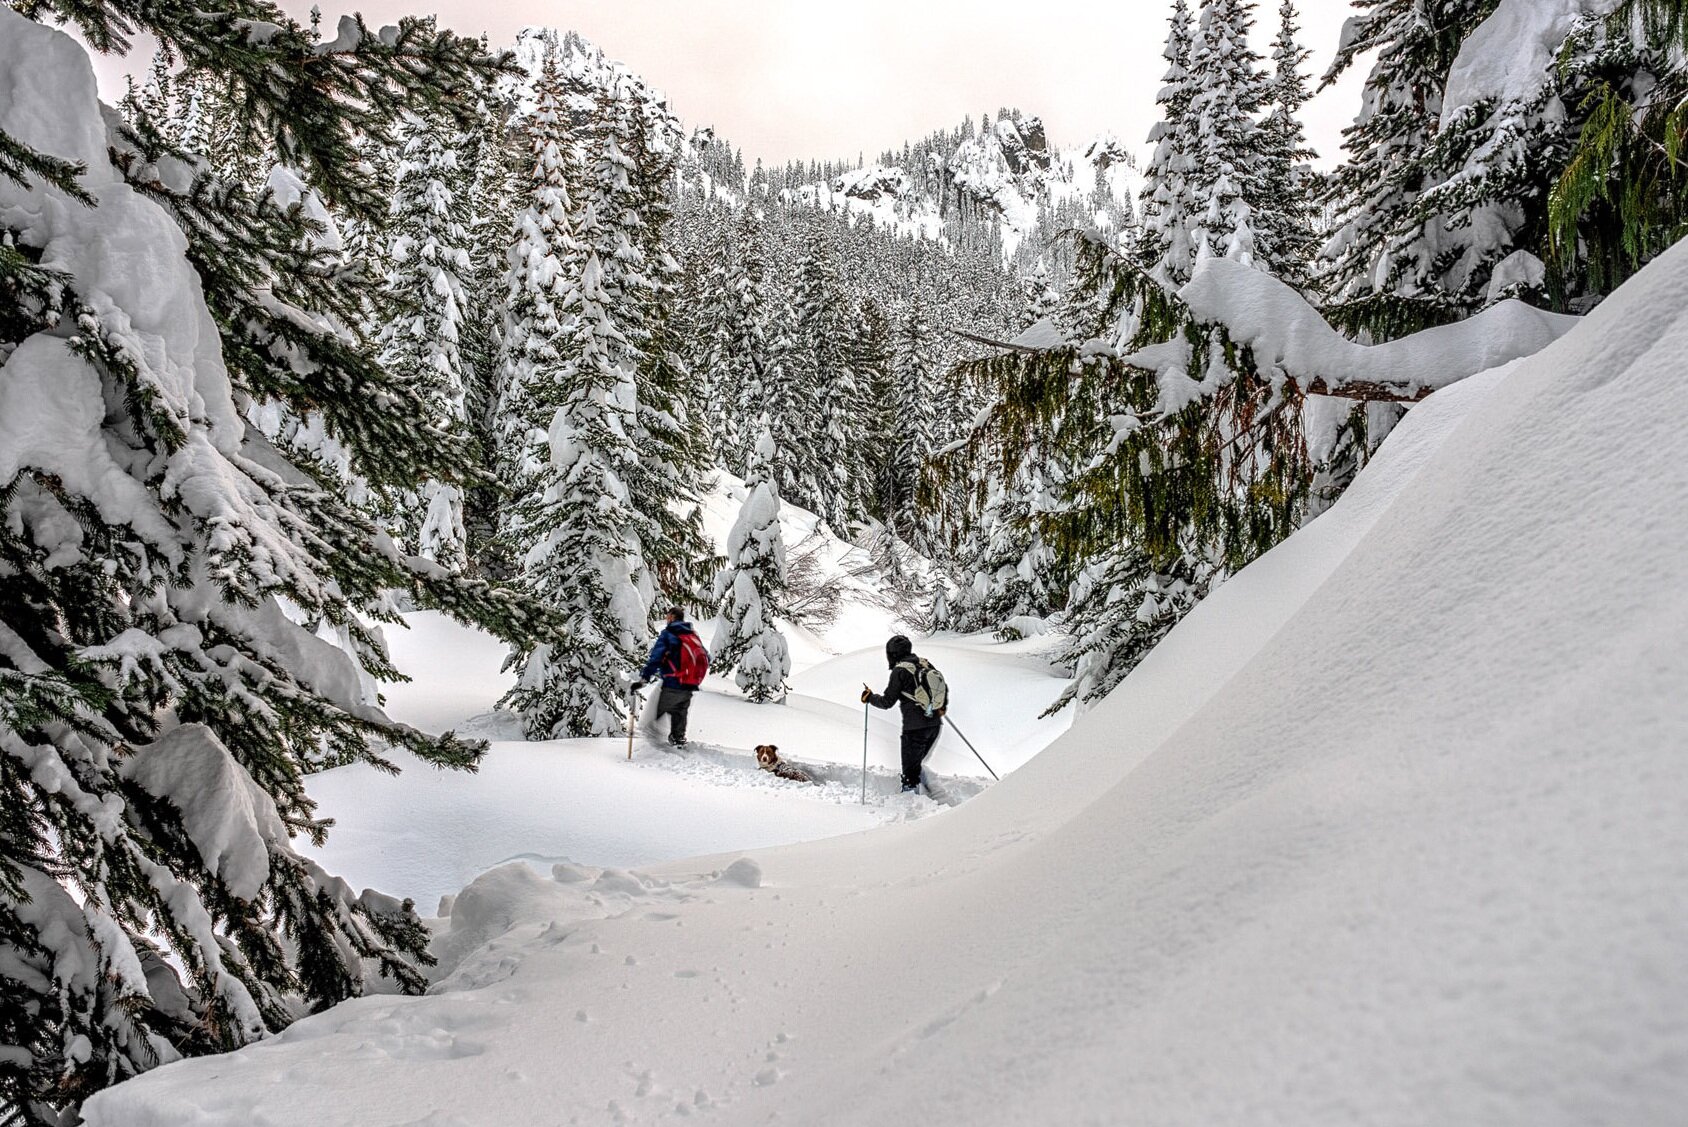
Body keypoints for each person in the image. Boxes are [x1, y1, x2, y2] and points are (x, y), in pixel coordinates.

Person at [861, 634, 942, 793]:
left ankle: (915, 810)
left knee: (910, 776)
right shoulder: (925, 664)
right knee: (916, 765)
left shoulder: (899, 671)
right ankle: (933, 795)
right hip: (935, 725)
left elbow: (887, 702)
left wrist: (870, 697)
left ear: (893, 654)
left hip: (914, 729)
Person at [636, 607, 709, 748]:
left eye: (667, 616)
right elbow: (706, 656)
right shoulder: (692, 634)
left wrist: (644, 678)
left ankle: (650, 749)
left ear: (672, 617)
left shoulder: (669, 634)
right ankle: (678, 740)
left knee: (652, 719)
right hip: (689, 684)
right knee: (680, 712)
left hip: (673, 682)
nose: (666, 618)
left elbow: (656, 658)